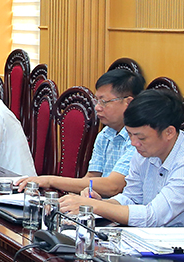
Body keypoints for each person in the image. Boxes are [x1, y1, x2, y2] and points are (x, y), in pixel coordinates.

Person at [60, 90, 184, 231]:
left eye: (141, 137)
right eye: (130, 134)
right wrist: (102, 203)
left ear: (169, 132)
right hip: (159, 242)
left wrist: (96, 206)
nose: (133, 143)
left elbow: (152, 217)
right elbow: (132, 198)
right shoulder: (144, 151)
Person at [16, 68, 143, 196]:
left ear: (128, 102)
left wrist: (50, 180)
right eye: (97, 101)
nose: (97, 107)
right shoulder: (105, 135)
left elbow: (113, 186)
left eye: (104, 102)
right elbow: (90, 179)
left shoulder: (139, 140)